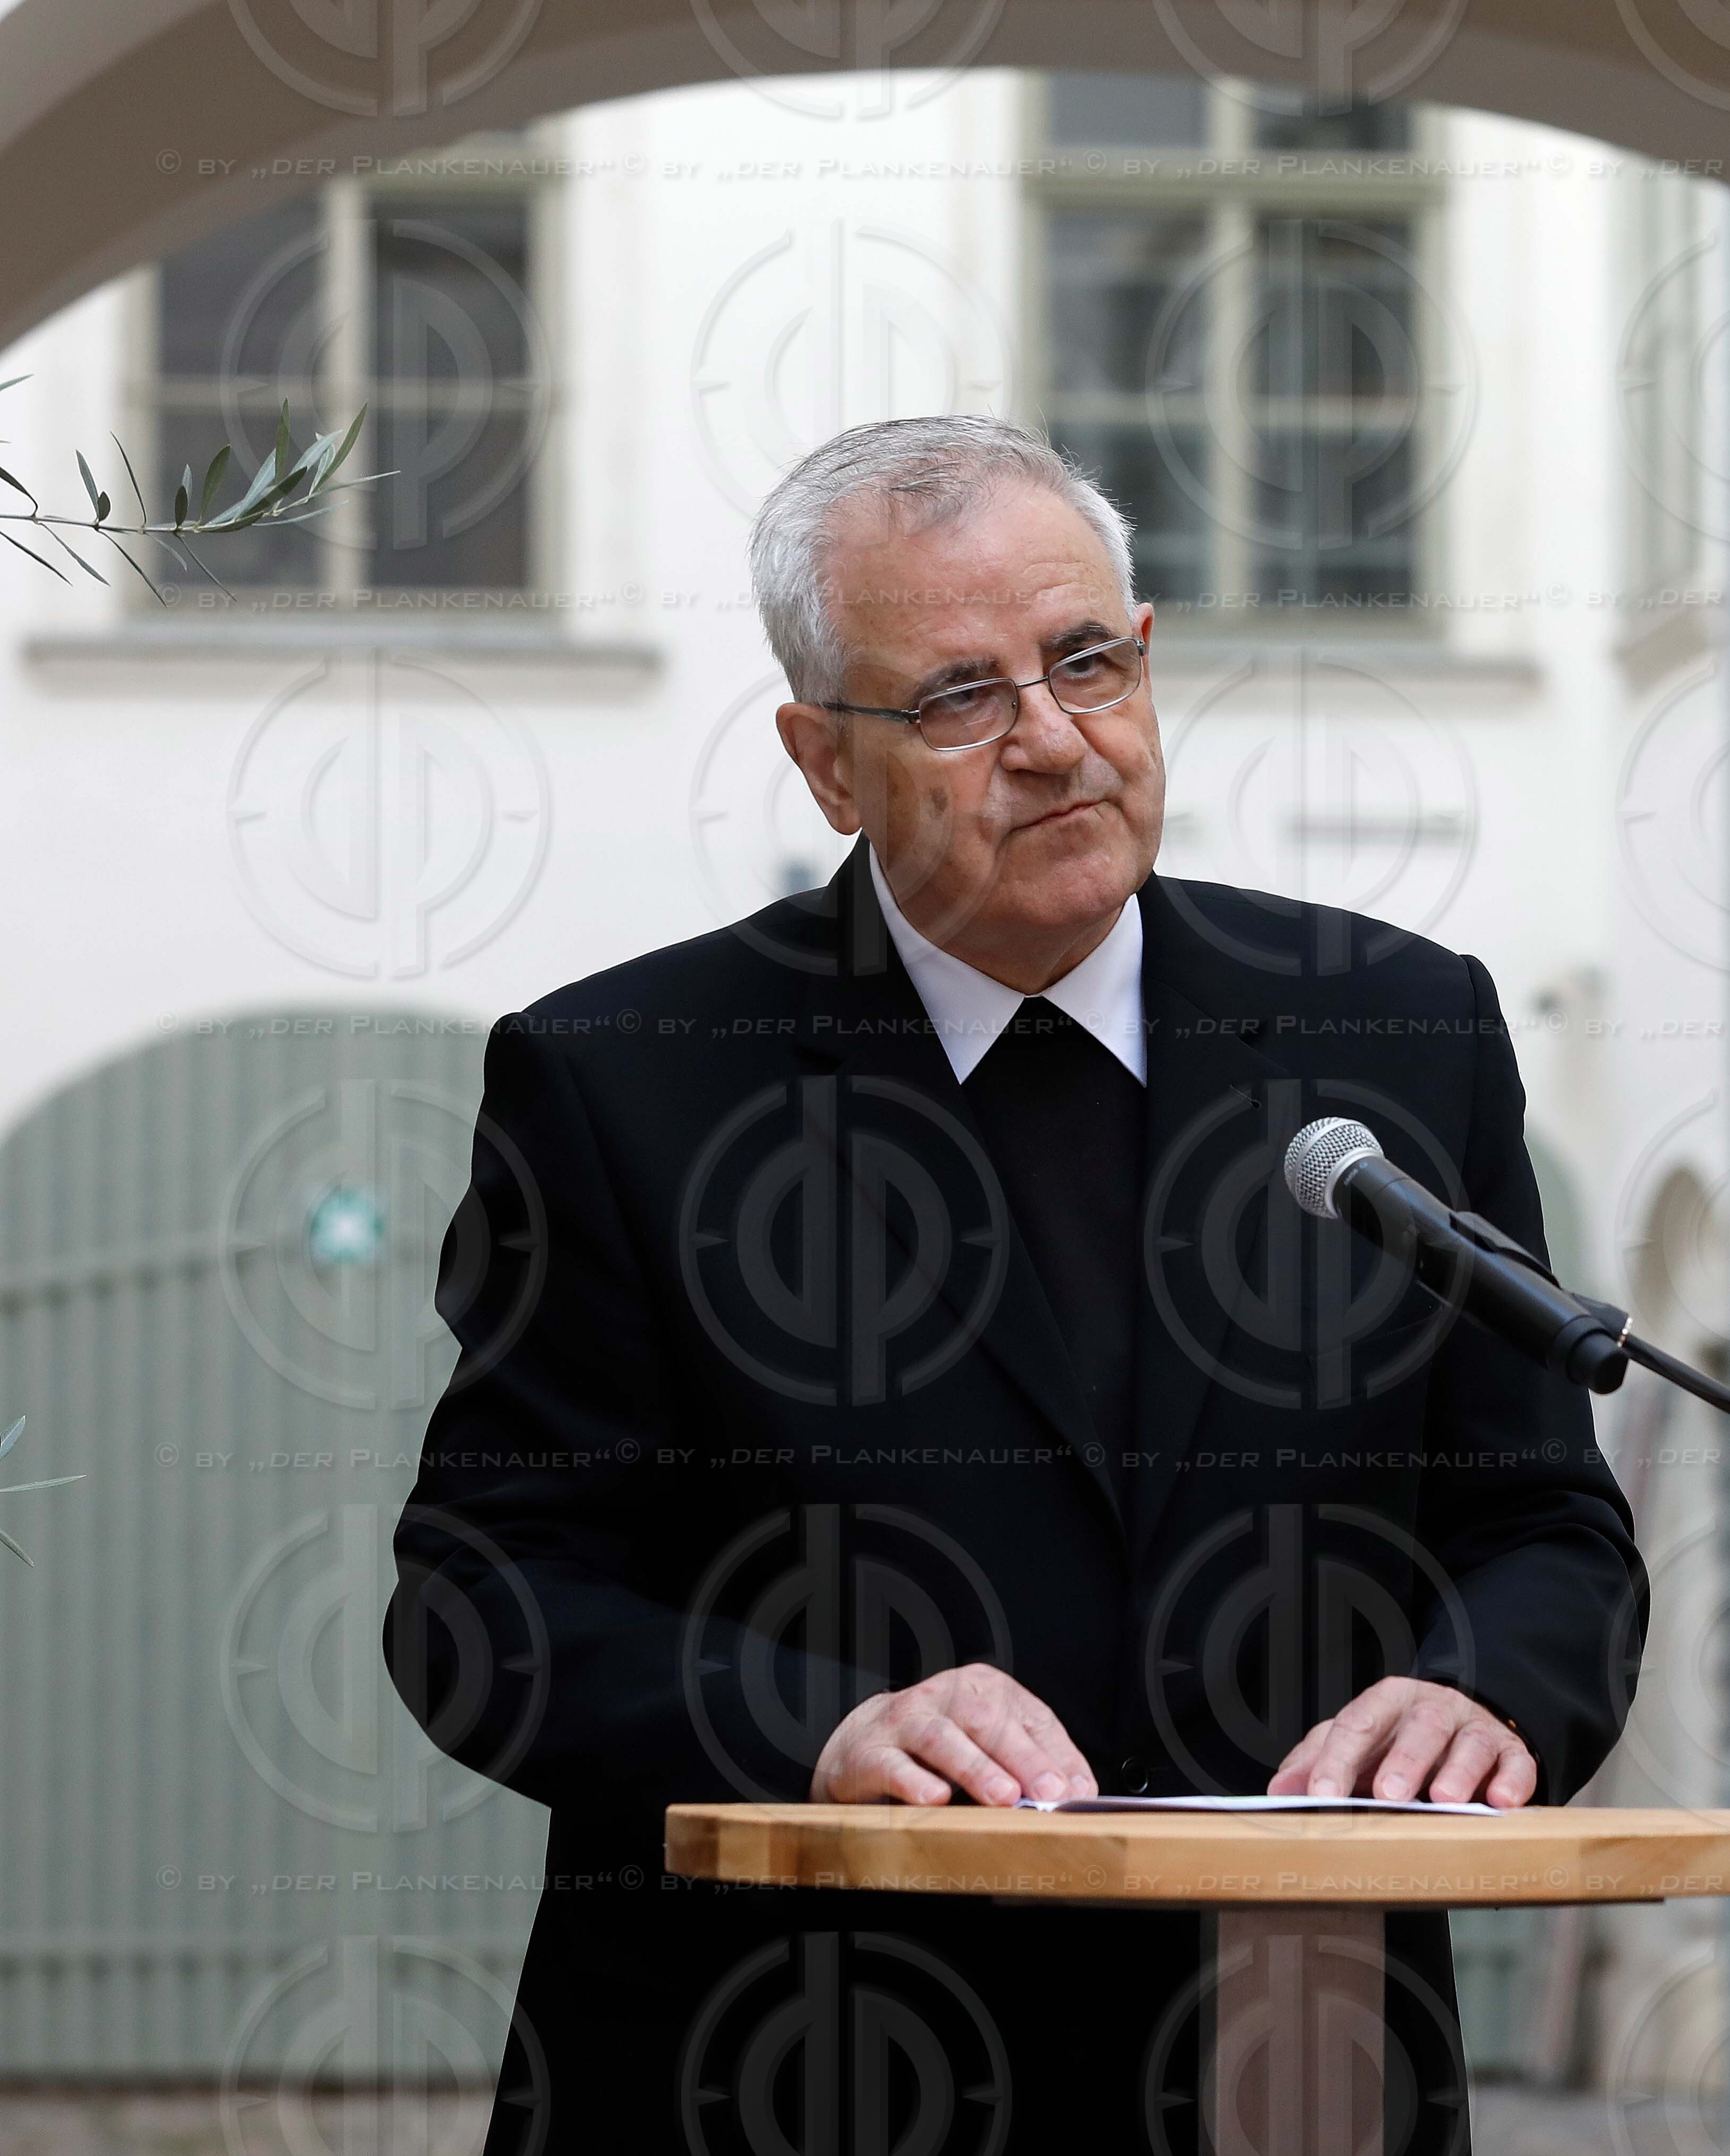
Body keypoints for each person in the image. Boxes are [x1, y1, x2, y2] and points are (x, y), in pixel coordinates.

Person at [387, 414, 1646, 2154]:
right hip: (779, 2068)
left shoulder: (1398, 1034)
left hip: (1291, 2060)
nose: (1052, 741)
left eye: (1085, 663)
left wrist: (1486, 1686)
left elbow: (1548, 1527)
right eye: (960, 698)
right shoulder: (626, 1080)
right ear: (828, 763)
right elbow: (481, 1599)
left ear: (1148, 661)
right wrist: (823, 1726)